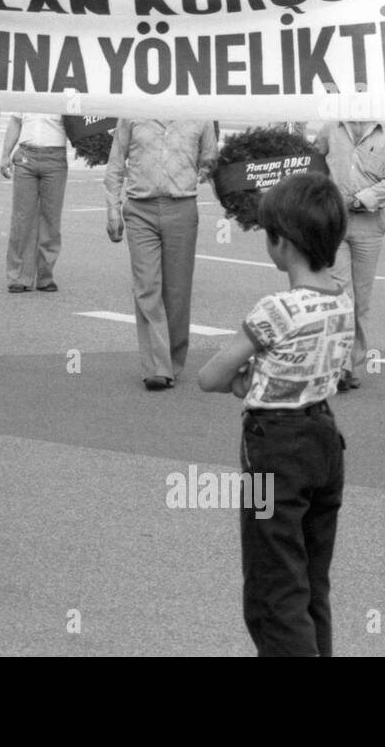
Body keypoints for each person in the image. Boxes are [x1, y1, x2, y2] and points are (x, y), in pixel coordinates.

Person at [198, 172, 353, 657]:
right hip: (324, 441)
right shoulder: (342, 300)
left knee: (273, 587)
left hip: (274, 451)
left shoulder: (277, 309)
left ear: (280, 243)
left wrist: (246, 380)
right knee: (310, 579)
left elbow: (210, 376)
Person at [104, 117, 218, 390]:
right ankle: (157, 368)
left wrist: (195, 174)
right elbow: (116, 163)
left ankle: (172, 361)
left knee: (177, 291)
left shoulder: (199, 115)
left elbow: (211, 159)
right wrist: (112, 208)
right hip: (140, 210)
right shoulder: (132, 114)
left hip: (182, 207)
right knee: (146, 286)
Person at [313, 118, 385, 390]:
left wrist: (357, 200)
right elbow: (313, 163)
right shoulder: (330, 128)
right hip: (334, 221)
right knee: (340, 293)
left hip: (370, 222)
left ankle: (353, 365)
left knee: (361, 300)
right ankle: (338, 365)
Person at [0, 112, 67, 292]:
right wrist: (5, 154)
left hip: (55, 156)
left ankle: (45, 276)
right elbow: (15, 121)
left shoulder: (66, 91)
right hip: (25, 155)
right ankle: (18, 277)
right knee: (22, 219)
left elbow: (80, 123)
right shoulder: (26, 90)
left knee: (51, 219)